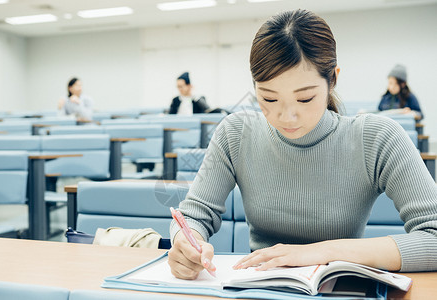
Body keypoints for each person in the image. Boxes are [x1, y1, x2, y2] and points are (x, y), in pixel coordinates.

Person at [168, 9, 437, 280]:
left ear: (332, 79)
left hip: (337, 288)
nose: (286, 117)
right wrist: (185, 242)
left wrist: (325, 252)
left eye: (305, 99)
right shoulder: (235, 133)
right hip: (255, 288)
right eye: (269, 99)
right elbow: (194, 216)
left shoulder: (377, 138)